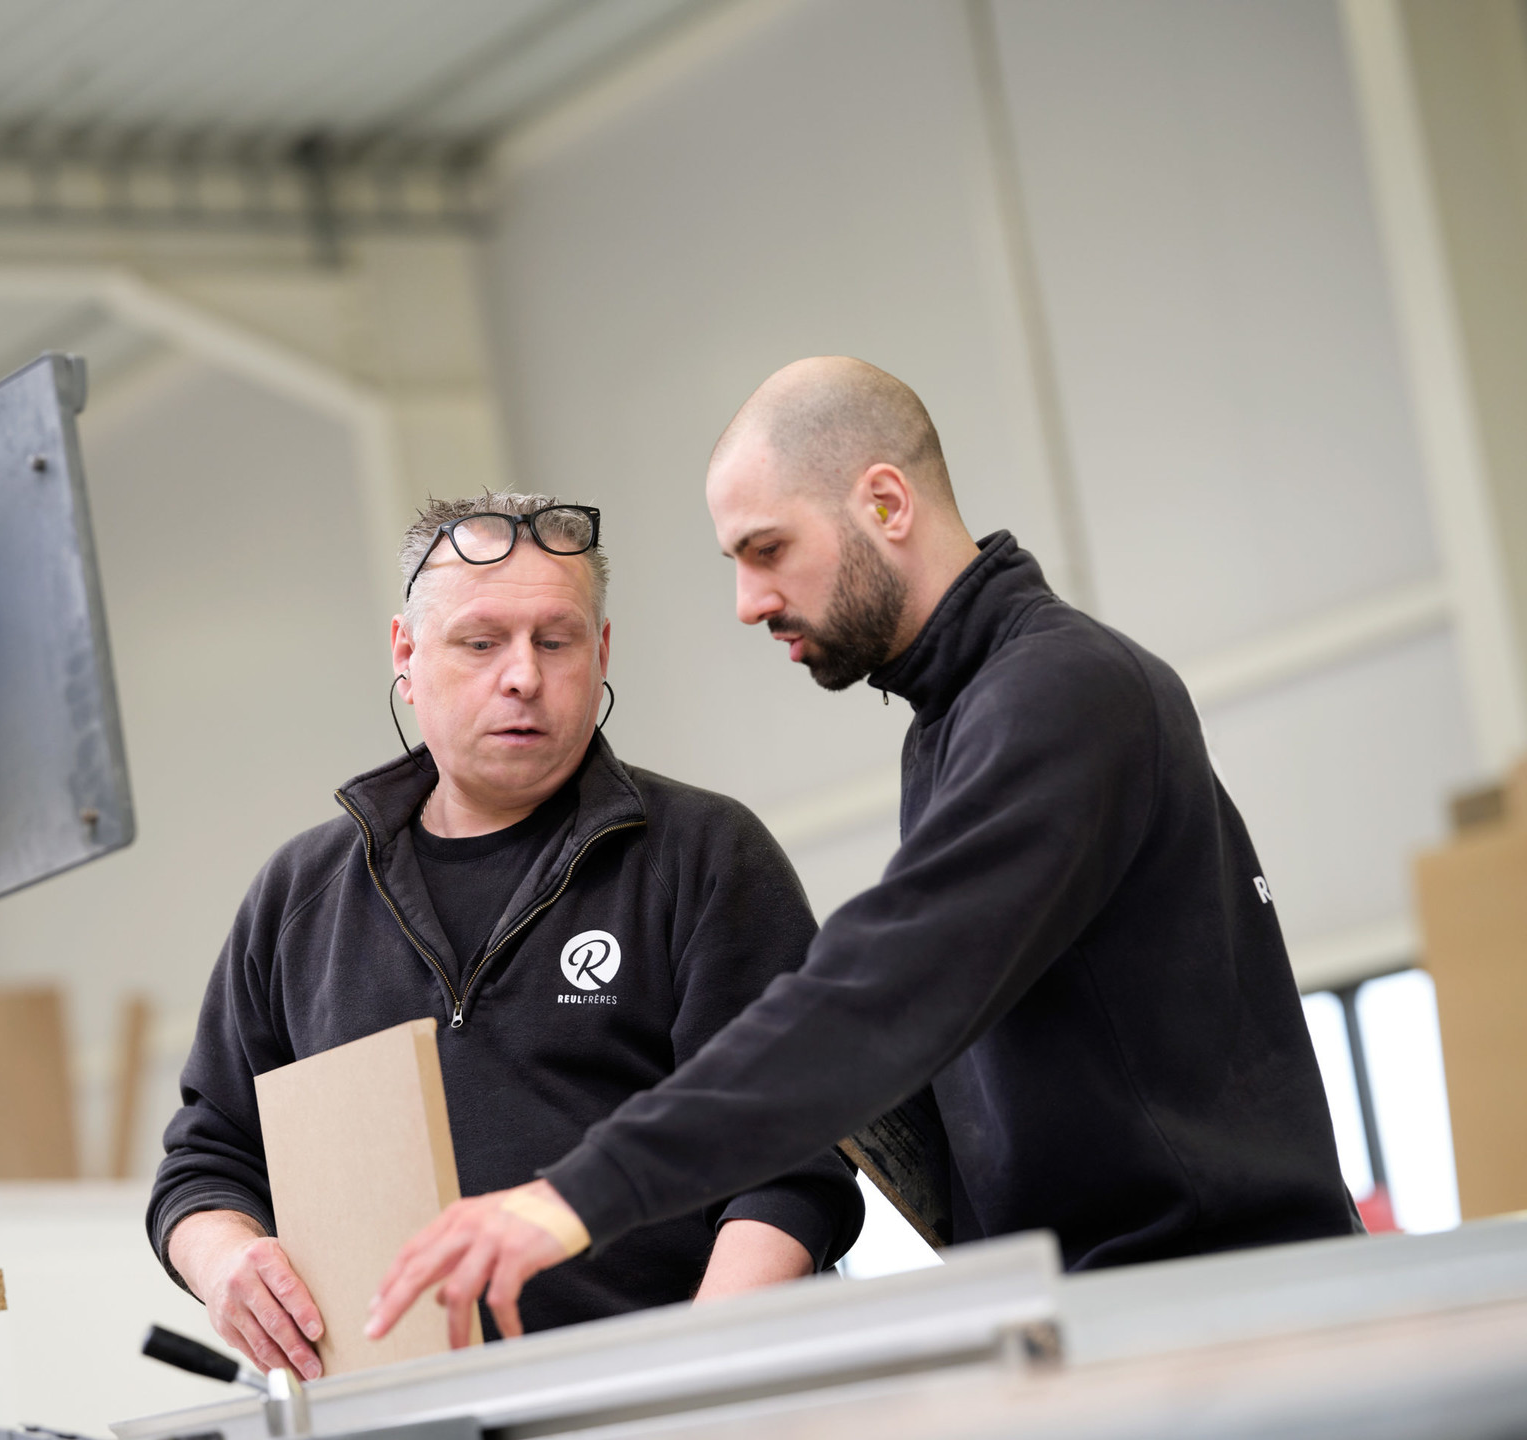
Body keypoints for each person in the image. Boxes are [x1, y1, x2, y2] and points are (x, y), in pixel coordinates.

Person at [367, 358, 1361, 1348]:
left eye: (767, 550)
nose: (750, 602)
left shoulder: (1063, 695)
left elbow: (880, 998)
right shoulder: (956, 724)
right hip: (1107, 1321)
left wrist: (569, 1200)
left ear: (884, 502)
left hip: (1218, 1321)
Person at [148, 491, 862, 1377]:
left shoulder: (703, 857)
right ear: (407, 656)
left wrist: (694, 1377)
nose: (522, 675)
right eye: (481, 643)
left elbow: (791, 1157)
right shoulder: (302, 897)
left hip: (668, 1402)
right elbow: (207, 1159)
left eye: (554, 641)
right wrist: (226, 1265)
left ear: (599, 653)